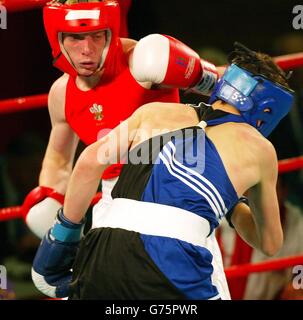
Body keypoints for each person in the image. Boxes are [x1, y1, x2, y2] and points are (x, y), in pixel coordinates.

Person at [31, 43, 294, 299]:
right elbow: (269, 243)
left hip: (102, 250)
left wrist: (64, 233)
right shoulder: (260, 149)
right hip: (172, 260)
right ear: (269, 108)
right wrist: (232, 204)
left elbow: (89, 162)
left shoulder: (152, 112)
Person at [21, 0, 230, 299]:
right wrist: (55, 210)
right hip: (112, 201)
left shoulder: (143, 61)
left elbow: (228, 89)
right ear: (57, 39)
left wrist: (202, 73)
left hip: (173, 185)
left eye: (97, 36)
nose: (87, 49)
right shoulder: (61, 93)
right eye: (76, 37)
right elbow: (57, 158)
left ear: (111, 33)